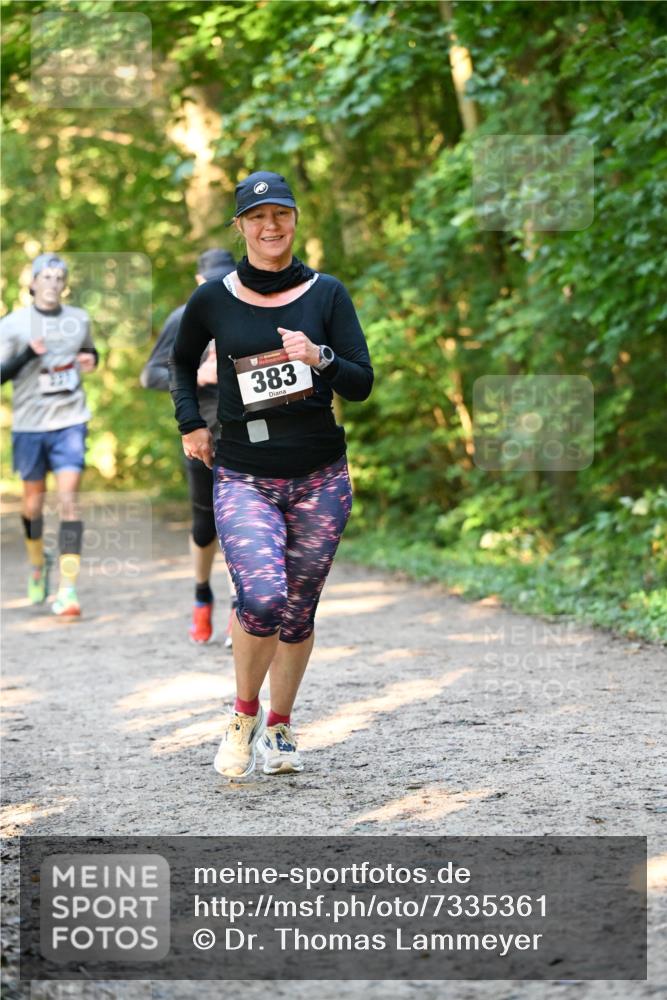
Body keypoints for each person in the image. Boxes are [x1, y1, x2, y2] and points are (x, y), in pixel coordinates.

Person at [169, 170, 373, 779]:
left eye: (280, 214)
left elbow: (361, 382)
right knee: (262, 597)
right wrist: (190, 423)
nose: (270, 226)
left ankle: (280, 729)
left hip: (320, 476)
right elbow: (181, 364)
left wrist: (321, 358)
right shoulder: (213, 298)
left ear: (294, 220)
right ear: (240, 227)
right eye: (257, 218)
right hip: (244, 474)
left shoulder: (326, 294)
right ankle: (243, 715)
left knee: (299, 609)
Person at [140, 248, 238, 646]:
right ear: (199, 281)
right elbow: (150, 375)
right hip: (199, 433)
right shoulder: (183, 318)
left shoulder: (247, 310)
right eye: (211, 279)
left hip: (242, 431)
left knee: (239, 521)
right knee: (205, 526)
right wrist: (199, 374)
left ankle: (240, 609)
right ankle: (202, 594)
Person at [0, 253, 98, 617]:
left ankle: (68, 589)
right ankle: (38, 563)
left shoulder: (79, 318)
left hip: (70, 420)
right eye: (47, 277)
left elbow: (89, 351)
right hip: (29, 425)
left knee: (69, 500)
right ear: (33, 283)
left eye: (60, 278)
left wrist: (93, 358)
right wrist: (28, 354)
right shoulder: (11, 325)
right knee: (33, 507)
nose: (53, 284)